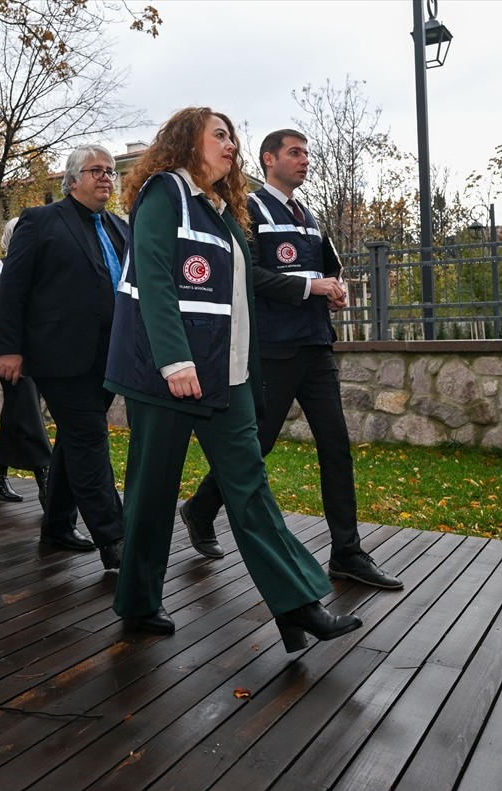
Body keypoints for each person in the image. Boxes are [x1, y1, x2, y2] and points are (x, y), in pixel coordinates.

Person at [104, 107, 362, 653]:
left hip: (228, 377)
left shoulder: (222, 212)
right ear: (185, 142)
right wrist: (175, 362)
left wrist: (247, 373)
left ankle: (297, 605)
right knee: (151, 492)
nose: (231, 145)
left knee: (251, 492)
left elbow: (238, 304)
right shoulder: (163, 192)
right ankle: (139, 599)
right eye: (219, 135)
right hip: (166, 376)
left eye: (233, 137)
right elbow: (152, 277)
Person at [181, 129, 403, 590]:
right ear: (269, 160)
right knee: (256, 446)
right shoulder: (250, 211)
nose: (304, 161)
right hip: (273, 350)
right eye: (295, 153)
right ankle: (200, 510)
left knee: (336, 447)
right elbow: (250, 275)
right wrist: (309, 288)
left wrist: (334, 289)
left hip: (316, 346)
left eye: (306, 154)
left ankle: (347, 552)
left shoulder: (311, 217)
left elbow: (327, 269)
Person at [0, 144, 127, 570]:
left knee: (74, 439)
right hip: (59, 356)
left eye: (110, 171)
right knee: (89, 438)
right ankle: (116, 540)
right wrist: (8, 348)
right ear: (72, 179)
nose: (106, 177)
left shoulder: (120, 228)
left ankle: (56, 524)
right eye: (96, 171)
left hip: (111, 357)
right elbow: (13, 288)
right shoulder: (40, 221)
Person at [0, 217, 54, 505]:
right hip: (8, 356)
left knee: (16, 413)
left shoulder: (41, 272)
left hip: (38, 355)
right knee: (28, 410)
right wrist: (18, 320)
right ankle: (46, 479)